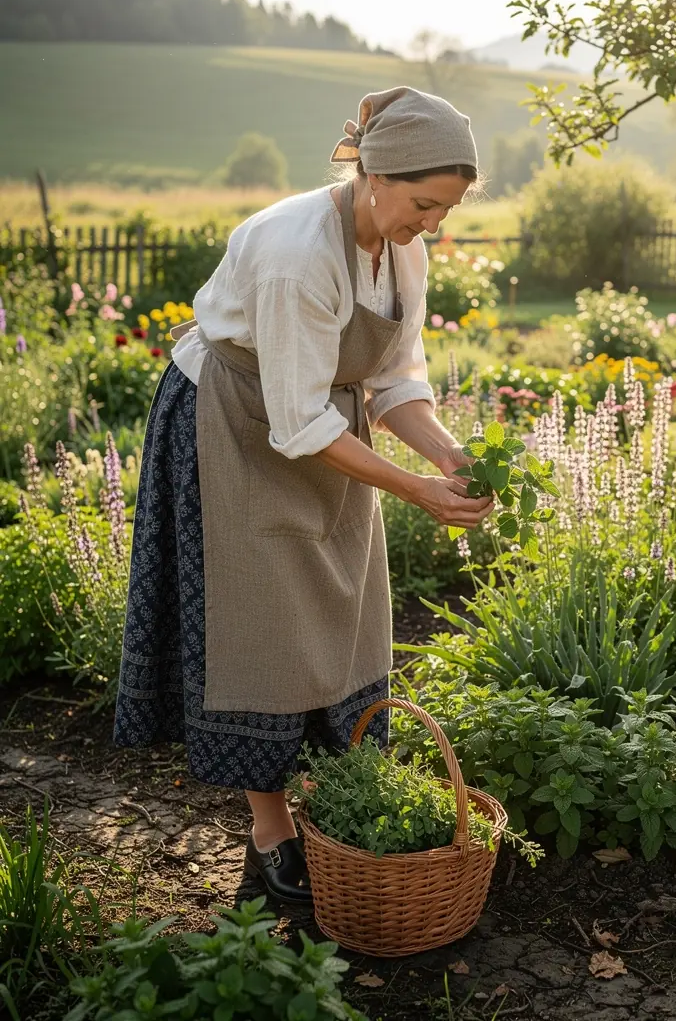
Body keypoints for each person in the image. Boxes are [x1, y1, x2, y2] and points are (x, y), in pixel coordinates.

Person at [113, 87, 494, 903]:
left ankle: (331, 807)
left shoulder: (406, 249)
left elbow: (394, 378)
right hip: (235, 422)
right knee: (264, 621)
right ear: (374, 174)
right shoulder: (295, 253)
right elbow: (294, 422)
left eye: (446, 209)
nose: (432, 224)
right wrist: (416, 491)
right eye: (424, 204)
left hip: (324, 420)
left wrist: (451, 457)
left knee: (340, 606)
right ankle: (271, 833)